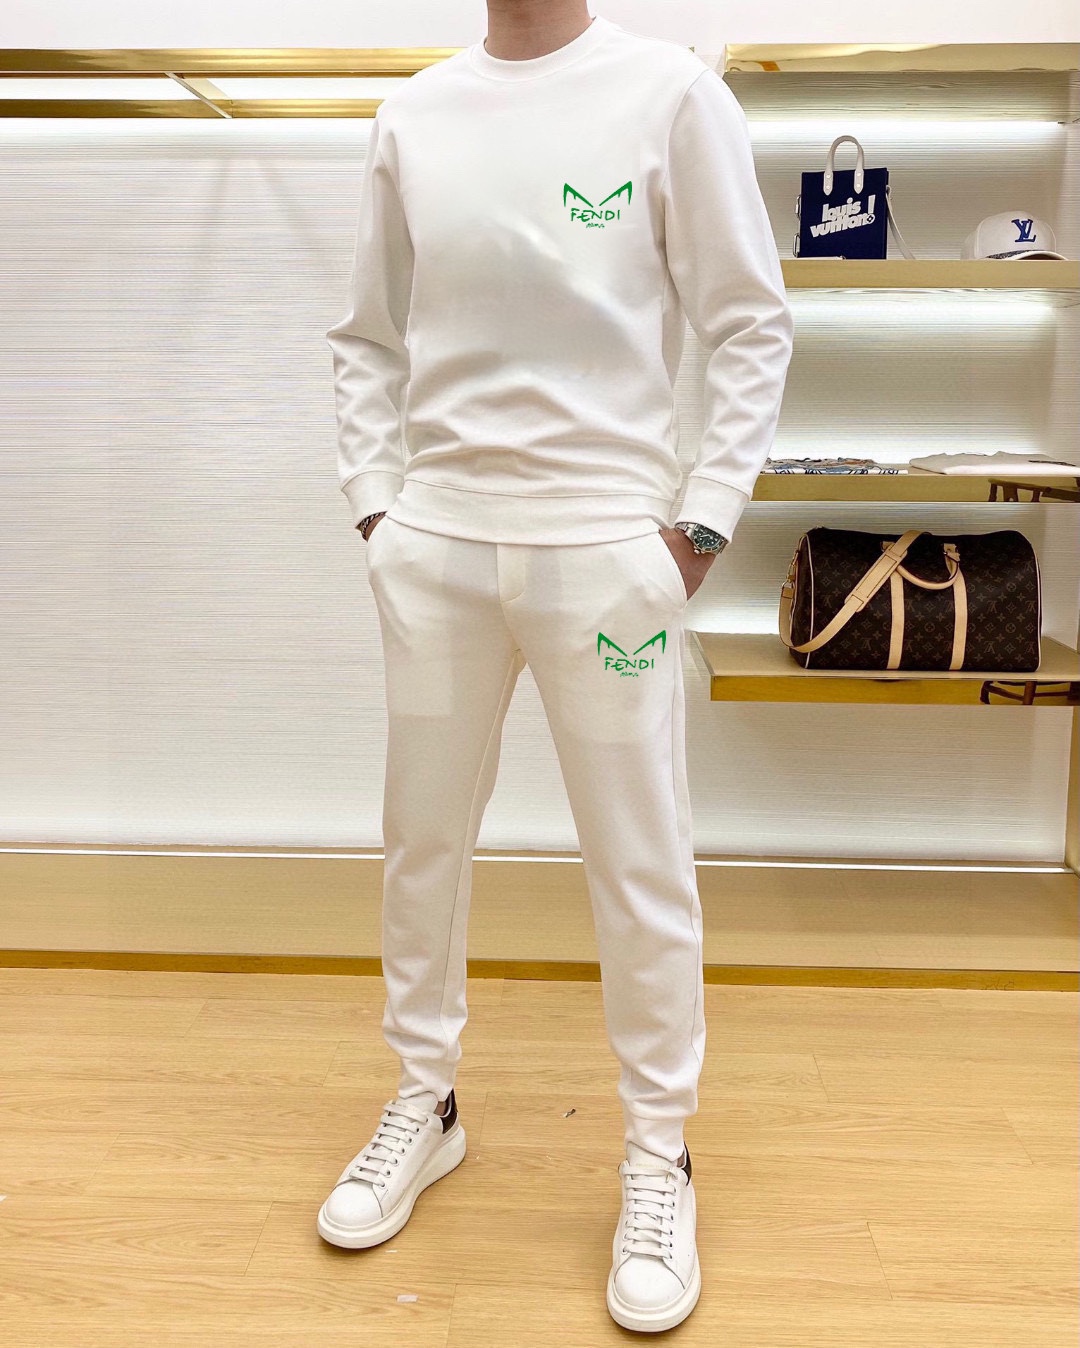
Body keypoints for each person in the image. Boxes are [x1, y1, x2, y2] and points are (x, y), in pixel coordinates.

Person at [318, 1, 792, 1333]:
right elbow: (365, 335)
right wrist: (378, 508)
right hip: (439, 549)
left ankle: (658, 1151)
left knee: (641, 862)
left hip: (607, 555)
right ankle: (426, 1104)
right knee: (421, 841)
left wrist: (700, 526)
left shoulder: (670, 95)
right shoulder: (416, 113)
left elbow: (750, 322)